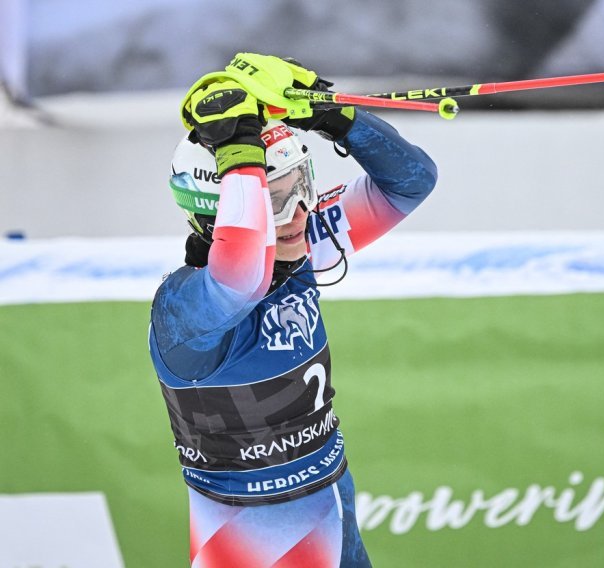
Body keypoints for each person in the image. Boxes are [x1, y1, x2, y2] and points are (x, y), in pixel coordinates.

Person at [148, 54, 437, 567]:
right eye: (273, 200)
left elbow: (411, 181)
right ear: (214, 213)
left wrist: (333, 115)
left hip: (332, 515)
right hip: (253, 548)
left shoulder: (297, 249)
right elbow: (242, 276)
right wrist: (237, 147)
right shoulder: (184, 309)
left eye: (301, 186)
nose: (299, 212)